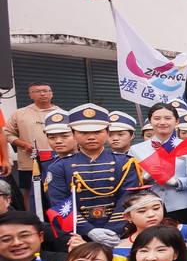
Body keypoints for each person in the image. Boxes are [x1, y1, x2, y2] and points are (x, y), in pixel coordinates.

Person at [45, 104, 145, 247]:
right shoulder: (59, 166)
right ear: (73, 133)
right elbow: (60, 203)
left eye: (98, 132)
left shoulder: (125, 162)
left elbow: (128, 198)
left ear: (107, 132)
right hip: (78, 235)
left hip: (119, 233)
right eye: (83, 133)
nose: (91, 137)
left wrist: (113, 230)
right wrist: (89, 231)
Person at [128, 102, 187, 224]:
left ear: (177, 121)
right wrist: (145, 178)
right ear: (150, 121)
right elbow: (130, 182)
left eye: (168, 118)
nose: (162, 122)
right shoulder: (136, 149)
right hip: (148, 208)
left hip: (182, 206)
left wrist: (175, 182)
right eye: (157, 118)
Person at [5, 82, 60, 198]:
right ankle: (31, 216)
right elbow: (7, 133)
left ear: (51, 94)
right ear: (30, 95)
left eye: (45, 91)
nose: (42, 94)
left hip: (57, 161)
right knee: (30, 192)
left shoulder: (61, 114)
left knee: (57, 189)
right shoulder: (20, 114)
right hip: (30, 162)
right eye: (37, 91)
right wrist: (22, 144)